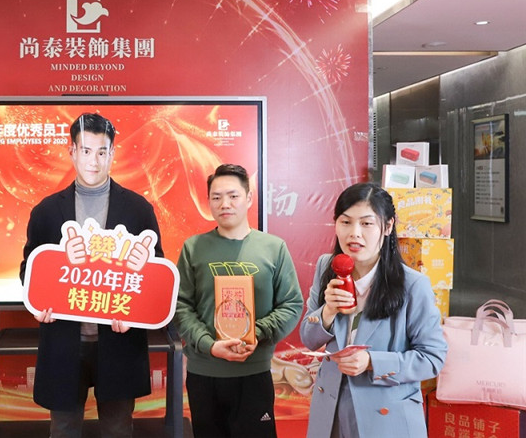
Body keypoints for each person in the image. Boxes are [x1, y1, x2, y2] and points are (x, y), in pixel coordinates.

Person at [20, 112, 164, 438]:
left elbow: (156, 275)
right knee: (64, 429)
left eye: (102, 152)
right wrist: (40, 301)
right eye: (86, 151)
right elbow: (29, 270)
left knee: (118, 429)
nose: (94, 161)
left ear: (113, 153)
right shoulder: (46, 212)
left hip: (119, 341)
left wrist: (137, 309)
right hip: (64, 341)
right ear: (72, 151)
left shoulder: (139, 210)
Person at [300, 182, 447, 438]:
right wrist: (327, 312)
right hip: (331, 411)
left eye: (366, 223)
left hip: (386, 418)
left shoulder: (413, 284)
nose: (354, 234)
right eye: (346, 222)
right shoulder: (327, 267)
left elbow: (432, 358)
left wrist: (372, 362)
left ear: (387, 227)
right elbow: (309, 339)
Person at [174, 164, 303, 438]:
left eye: (233, 196)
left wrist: (256, 332)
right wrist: (209, 345)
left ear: (249, 198)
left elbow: (291, 304)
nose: (225, 204)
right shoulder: (193, 248)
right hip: (204, 372)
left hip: (253, 372)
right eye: (216, 197)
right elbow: (181, 306)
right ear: (209, 201)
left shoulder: (273, 247)